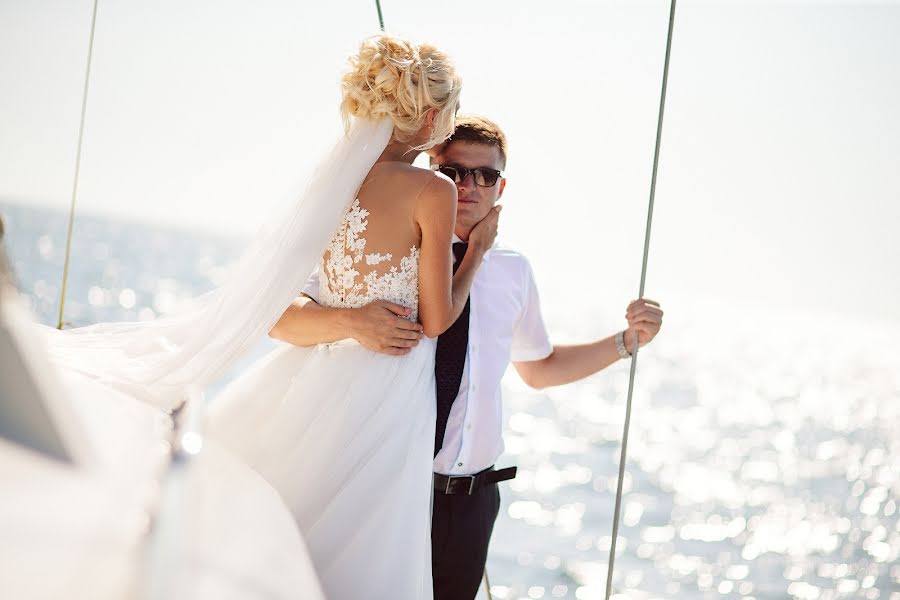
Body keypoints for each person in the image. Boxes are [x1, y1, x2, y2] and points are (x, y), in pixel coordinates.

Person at [39, 33, 469, 599]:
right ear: (432, 115)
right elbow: (436, 320)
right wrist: (478, 253)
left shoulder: (337, 184)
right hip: (388, 388)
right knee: (364, 547)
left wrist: (351, 318)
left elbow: (276, 311)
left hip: (316, 377)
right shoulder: (433, 190)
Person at [274, 115, 664, 599]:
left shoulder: (514, 272)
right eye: (454, 172)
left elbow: (539, 368)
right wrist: (352, 321)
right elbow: (282, 317)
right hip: (390, 489)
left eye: (486, 175)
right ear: (430, 173)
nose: (470, 186)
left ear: (502, 188)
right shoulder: (385, 250)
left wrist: (627, 342)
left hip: (471, 504)